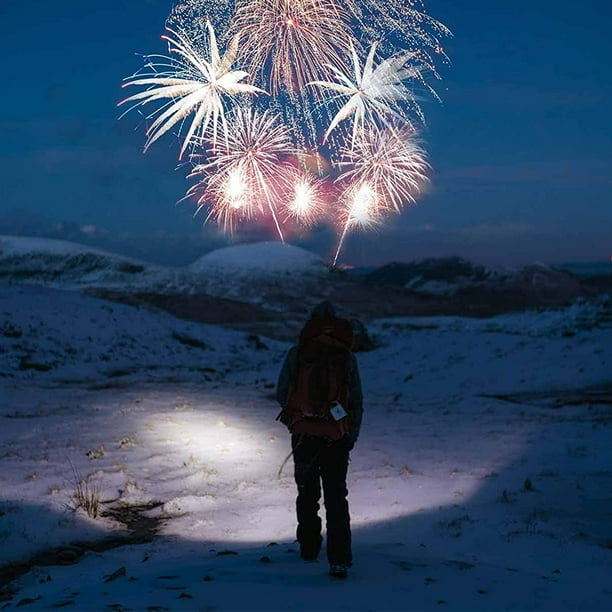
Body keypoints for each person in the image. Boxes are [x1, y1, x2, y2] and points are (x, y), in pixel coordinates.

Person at [276, 301, 363, 579]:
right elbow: (356, 401)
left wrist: (299, 420)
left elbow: (282, 393)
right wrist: (349, 434)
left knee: (307, 491)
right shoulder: (347, 357)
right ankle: (339, 559)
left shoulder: (298, 353)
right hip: (336, 436)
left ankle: (309, 548)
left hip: (304, 435)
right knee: (336, 496)